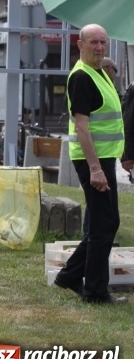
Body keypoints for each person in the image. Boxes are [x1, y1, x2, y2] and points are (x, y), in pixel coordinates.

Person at [53, 24, 126, 304]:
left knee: (106, 222)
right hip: (92, 160)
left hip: (103, 157)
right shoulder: (82, 77)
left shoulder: (98, 73)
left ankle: (70, 276)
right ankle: (94, 291)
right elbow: (82, 126)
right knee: (103, 225)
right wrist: (95, 169)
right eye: (93, 42)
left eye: (103, 42)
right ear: (79, 45)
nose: (99, 47)